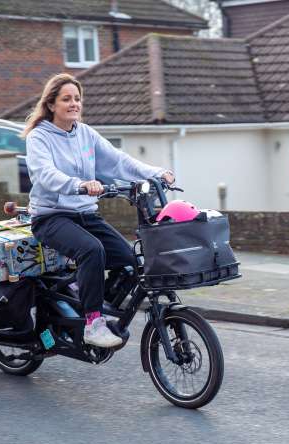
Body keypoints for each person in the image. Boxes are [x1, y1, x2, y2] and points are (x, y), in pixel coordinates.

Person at [21, 73, 175, 347]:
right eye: (66, 99)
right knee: (92, 250)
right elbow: (45, 174)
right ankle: (93, 323)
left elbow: (119, 162)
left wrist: (157, 173)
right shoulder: (39, 137)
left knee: (130, 259)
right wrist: (79, 185)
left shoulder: (85, 133)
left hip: (85, 215)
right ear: (52, 104)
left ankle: (93, 302)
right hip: (51, 217)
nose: (74, 104)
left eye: (77, 99)